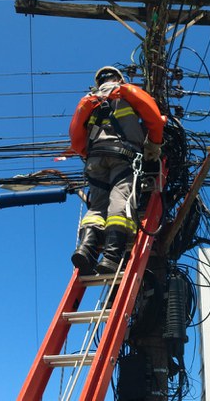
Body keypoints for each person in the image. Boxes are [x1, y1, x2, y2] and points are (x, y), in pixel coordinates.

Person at [68, 66, 166, 274]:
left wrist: (89, 153)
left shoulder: (89, 102)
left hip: (94, 159)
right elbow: (154, 118)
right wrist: (154, 145)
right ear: (119, 79)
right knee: (120, 199)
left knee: (97, 207)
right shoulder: (127, 92)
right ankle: (111, 256)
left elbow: (75, 137)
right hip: (124, 157)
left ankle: (86, 249)